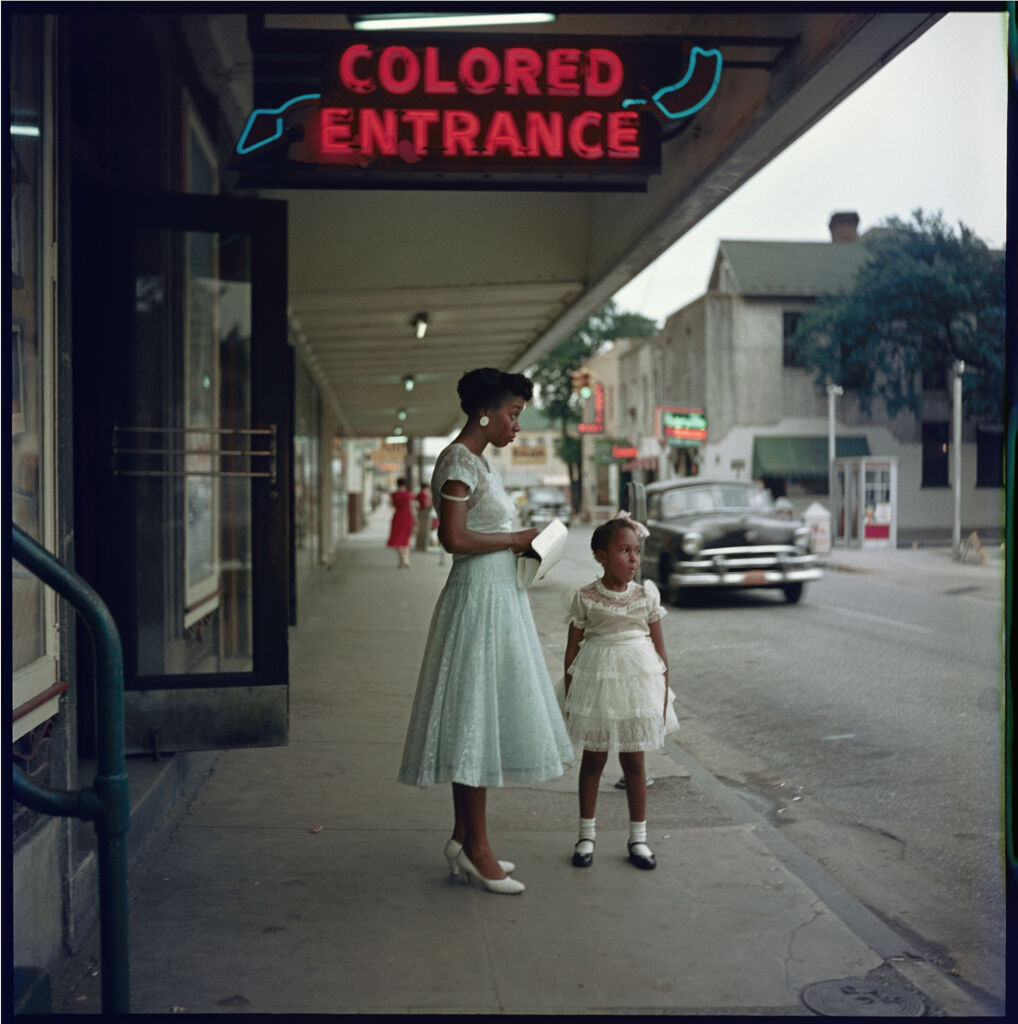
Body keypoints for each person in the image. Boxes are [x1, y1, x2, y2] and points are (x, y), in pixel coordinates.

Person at [398, 368, 573, 894]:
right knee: (474, 716)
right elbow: (451, 539)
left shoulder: (478, 463)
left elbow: (479, 529)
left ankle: (462, 836)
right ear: (485, 413)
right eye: (513, 414)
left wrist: (524, 544)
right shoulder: (458, 461)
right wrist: (518, 536)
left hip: (498, 596)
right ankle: (477, 848)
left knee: (482, 715)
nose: (517, 425)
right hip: (477, 599)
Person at [559, 513, 679, 871]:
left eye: (636, 552)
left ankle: (638, 837)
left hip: (637, 685)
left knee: (634, 761)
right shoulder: (585, 598)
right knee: (593, 759)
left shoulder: (645, 597)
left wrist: (661, 695)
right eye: (624, 551)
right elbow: (572, 651)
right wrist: (571, 696)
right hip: (597, 683)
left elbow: (660, 654)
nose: (633, 559)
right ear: (601, 555)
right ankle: (586, 834)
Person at [386, 477, 416, 568]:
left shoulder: (394, 494)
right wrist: (415, 519)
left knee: (397, 539)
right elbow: (412, 507)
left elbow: (391, 505)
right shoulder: (409, 494)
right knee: (405, 539)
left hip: (397, 516)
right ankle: (406, 559)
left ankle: (401, 559)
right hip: (407, 517)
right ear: (405, 484)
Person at [414, 483, 433, 552]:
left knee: (422, 530)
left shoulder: (421, 494)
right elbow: (425, 504)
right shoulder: (423, 494)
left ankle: (421, 546)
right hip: (424, 513)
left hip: (422, 512)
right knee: (423, 530)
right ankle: (422, 546)